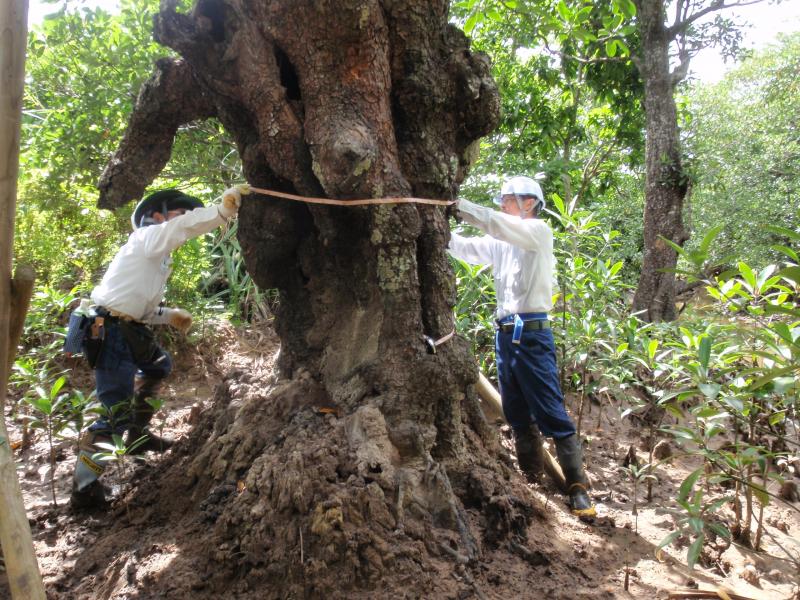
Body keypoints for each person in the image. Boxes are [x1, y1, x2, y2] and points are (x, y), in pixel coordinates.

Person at [70, 184, 249, 509]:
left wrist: (168, 316)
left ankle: (138, 437)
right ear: (156, 216)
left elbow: (141, 309)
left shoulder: (156, 258)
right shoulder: (145, 239)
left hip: (128, 329)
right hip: (109, 332)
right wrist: (220, 211)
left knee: (159, 366)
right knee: (113, 414)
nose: (185, 221)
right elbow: (180, 228)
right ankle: (84, 489)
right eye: (181, 213)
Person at [449, 176, 595, 518]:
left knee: (550, 410)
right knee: (515, 411)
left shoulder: (538, 232)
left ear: (529, 203)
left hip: (532, 335)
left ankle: (577, 488)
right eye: (501, 200)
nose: (502, 204)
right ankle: (530, 480)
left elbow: (496, 223)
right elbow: (468, 249)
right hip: (506, 335)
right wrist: (438, 230)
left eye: (508, 199)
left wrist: (457, 206)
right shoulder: (501, 240)